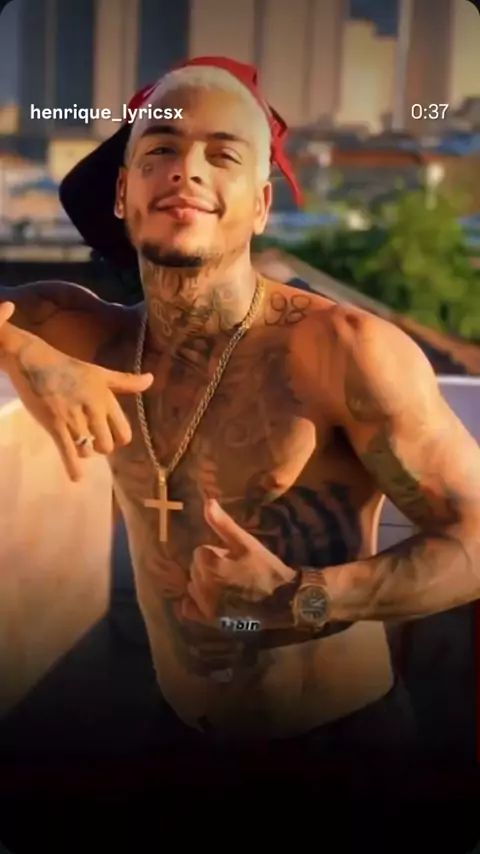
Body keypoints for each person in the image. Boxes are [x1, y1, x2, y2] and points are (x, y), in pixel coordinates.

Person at [0, 56, 479, 792]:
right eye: (161, 148)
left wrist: (309, 598)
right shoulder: (79, 333)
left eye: (222, 155)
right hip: (177, 733)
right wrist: (22, 352)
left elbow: (474, 534)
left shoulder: (343, 352)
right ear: (123, 192)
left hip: (343, 754)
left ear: (260, 205)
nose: (186, 169)